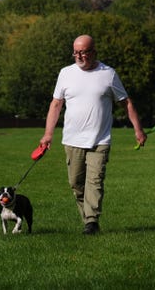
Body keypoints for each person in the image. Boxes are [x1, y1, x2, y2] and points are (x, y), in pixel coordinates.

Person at [40, 34, 147, 235]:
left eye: (84, 52)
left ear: (94, 52)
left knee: (94, 182)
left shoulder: (108, 74)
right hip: (72, 140)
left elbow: (127, 103)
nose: (79, 56)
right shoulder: (66, 73)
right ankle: (89, 221)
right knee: (76, 184)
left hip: (100, 140)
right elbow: (56, 104)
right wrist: (48, 134)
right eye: (76, 52)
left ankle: (92, 221)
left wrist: (138, 130)